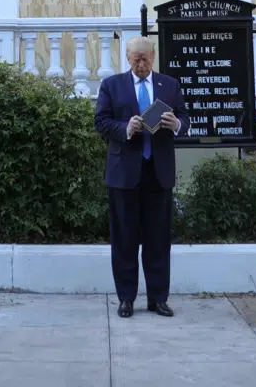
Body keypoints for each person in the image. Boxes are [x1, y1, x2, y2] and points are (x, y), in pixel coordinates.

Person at [93, 36, 187, 320]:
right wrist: (126, 128)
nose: (141, 63)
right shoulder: (112, 85)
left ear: (153, 57)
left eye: (145, 58)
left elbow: (184, 114)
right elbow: (101, 122)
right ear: (127, 57)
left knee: (158, 239)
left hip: (158, 173)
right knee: (124, 239)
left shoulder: (169, 85)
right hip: (124, 174)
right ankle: (126, 299)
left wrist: (177, 124)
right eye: (136, 59)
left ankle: (158, 299)